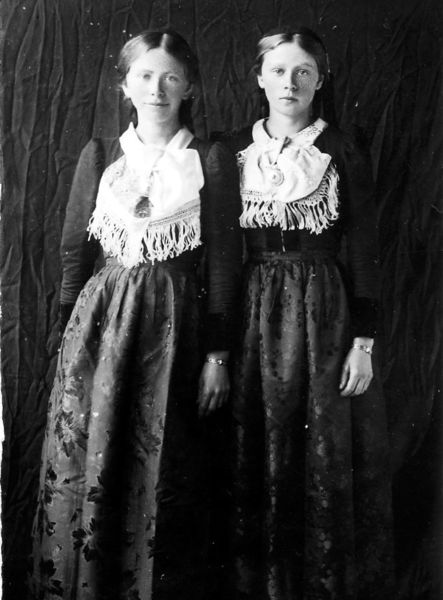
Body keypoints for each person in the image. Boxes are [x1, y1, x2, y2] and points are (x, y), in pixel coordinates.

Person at [28, 29, 242, 600]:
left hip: (175, 331)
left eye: (171, 77)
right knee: (93, 457)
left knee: (164, 465)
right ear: (125, 86)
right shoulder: (100, 155)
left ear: (189, 86)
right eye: (145, 76)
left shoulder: (210, 160)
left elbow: (224, 263)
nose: (157, 89)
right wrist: (65, 340)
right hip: (99, 331)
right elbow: (74, 256)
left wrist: (218, 355)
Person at [223, 26, 394, 599]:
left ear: (320, 81)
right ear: (259, 78)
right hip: (253, 309)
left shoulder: (341, 149)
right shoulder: (234, 151)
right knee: (255, 440)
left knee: (320, 442)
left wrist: (364, 343)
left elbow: (365, 250)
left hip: (324, 310)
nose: (289, 82)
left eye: (303, 71)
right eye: (278, 70)